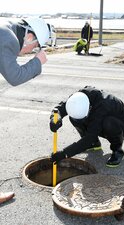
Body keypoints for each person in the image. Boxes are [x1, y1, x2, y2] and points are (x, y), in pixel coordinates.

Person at [0, 17, 49, 204]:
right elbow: (15, 76)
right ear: (29, 36)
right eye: (35, 47)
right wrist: (38, 61)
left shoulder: (5, 28)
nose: (30, 51)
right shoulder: (9, 39)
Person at [50, 86, 124, 168]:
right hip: (99, 119)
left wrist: (65, 153)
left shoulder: (103, 106)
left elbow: (89, 137)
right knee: (74, 119)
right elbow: (59, 108)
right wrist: (56, 118)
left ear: (89, 108)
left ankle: (117, 150)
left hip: (123, 126)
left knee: (108, 123)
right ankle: (94, 144)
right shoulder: (77, 98)